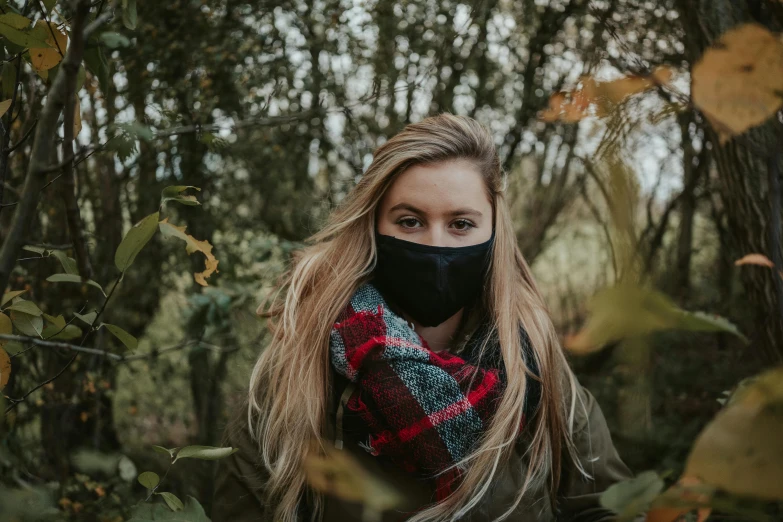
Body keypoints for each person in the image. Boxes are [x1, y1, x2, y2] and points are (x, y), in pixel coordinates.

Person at [212, 114, 636, 522]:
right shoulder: (297, 377)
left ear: (492, 233)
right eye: (410, 221)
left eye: (461, 224)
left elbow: (607, 509)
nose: (437, 247)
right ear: (374, 226)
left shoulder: (534, 370)